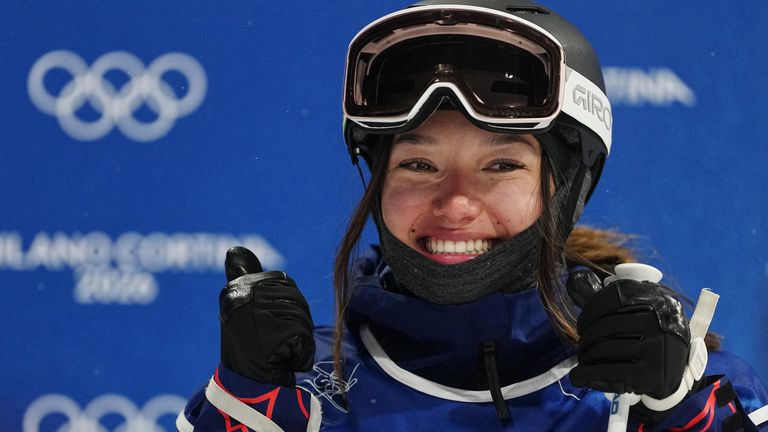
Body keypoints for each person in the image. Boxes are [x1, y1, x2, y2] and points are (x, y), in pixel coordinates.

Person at [177, 1, 768, 430]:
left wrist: (687, 412)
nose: (456, 203)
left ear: (570, 186)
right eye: (419, 166)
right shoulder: (304, 393)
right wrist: (245, 397)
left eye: (502, 165)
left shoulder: (670, 387)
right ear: (375, 178)